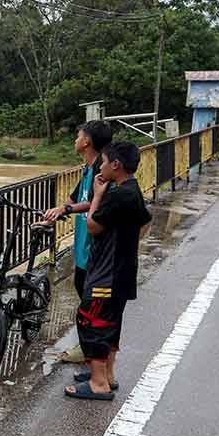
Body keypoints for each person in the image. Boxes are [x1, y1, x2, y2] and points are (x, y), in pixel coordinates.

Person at [66, 140, 151, 400]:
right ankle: (106, 374)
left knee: (91, 320)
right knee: (110, 323)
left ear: (115, 165)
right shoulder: (132, 190)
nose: (101, 166)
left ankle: (98, 383)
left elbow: (92, 226)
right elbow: (145, 222)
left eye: (104, 162)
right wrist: (124, 243)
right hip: (122, 270)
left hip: (107, 273)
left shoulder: (116, 195)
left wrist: (98, 195)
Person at [42, 120, 112, 363]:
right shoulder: (87, 168)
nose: (75, 140)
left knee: (91, 302)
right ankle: (89, 348)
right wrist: (57, 212)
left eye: (78, 136)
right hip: (83, 245)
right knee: (83, 294)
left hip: (94, 248)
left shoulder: (100, 172)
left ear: (87, 142)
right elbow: (73, 197)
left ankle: (91, 353)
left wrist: (66, 208)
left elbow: (92, 202)